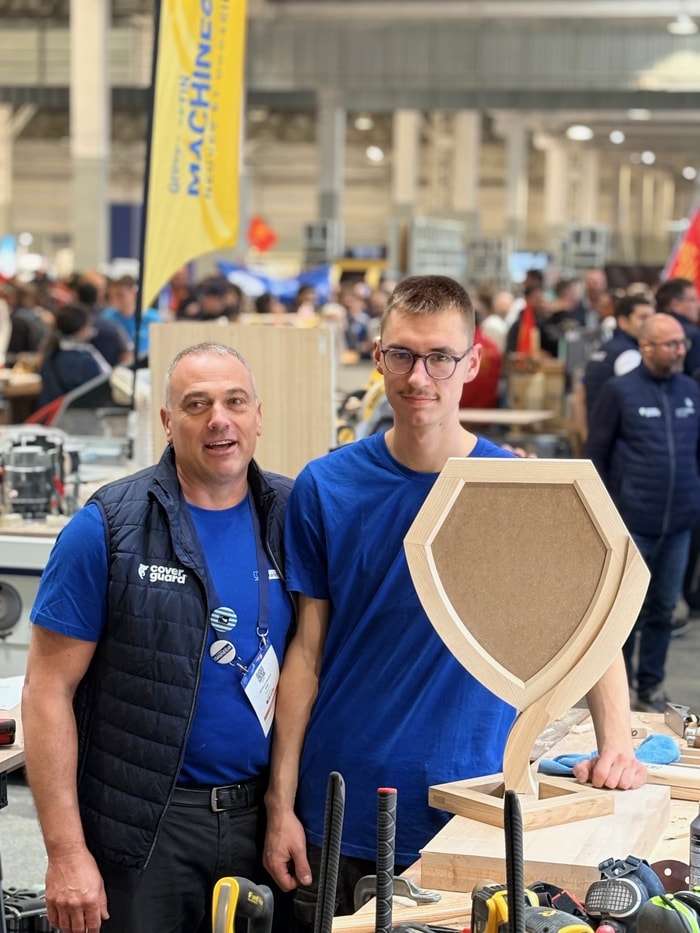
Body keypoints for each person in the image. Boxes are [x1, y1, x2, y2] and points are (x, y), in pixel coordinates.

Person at [263, 275, 646, 926]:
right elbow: (306, 653)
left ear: (472, 362)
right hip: (342, 797)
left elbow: (591, 621)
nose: (420, 377)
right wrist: (280, 803)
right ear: (379, 354)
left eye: (441, 356)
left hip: (475, 800)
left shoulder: (517, 486)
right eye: (404, 355)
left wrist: (617, 743)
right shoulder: (326, 486)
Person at [22, 342, 295, 933]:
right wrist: (66, 853)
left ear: (257, 416)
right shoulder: (107, 528)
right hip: (146, 828)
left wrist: (283, 805)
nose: (219, 419)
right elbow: (46, 693)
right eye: (196, 404)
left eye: (235, 402)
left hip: (262, 819)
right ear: (169, 423)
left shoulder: (292, 517)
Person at [584, 313, 700, 713]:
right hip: (631, 525)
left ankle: (651, 687)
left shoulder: (690, 391)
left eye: (682, 342)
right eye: (671, 344)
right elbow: (596, 453)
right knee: (623, 615)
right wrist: (604, 513)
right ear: (646, 347)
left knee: (663, 611)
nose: (681, 349)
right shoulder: (620, 392)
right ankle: (619, 694)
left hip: (680, 524)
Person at [576, 294, 655, 440]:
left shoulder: (603, 349)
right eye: (643, 317)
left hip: (598, 436)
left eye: (652, 318)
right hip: (617, 441)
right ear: (624, 322)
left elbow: (580, 393)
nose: (650, 323)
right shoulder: (629, 355)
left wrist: (586, 436)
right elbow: (636, 405)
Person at [37, 302, 112, 408]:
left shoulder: (53, 353)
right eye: (89, 325)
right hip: (78, 417)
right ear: (80, 329)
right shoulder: (83, 361)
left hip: (55, 416)